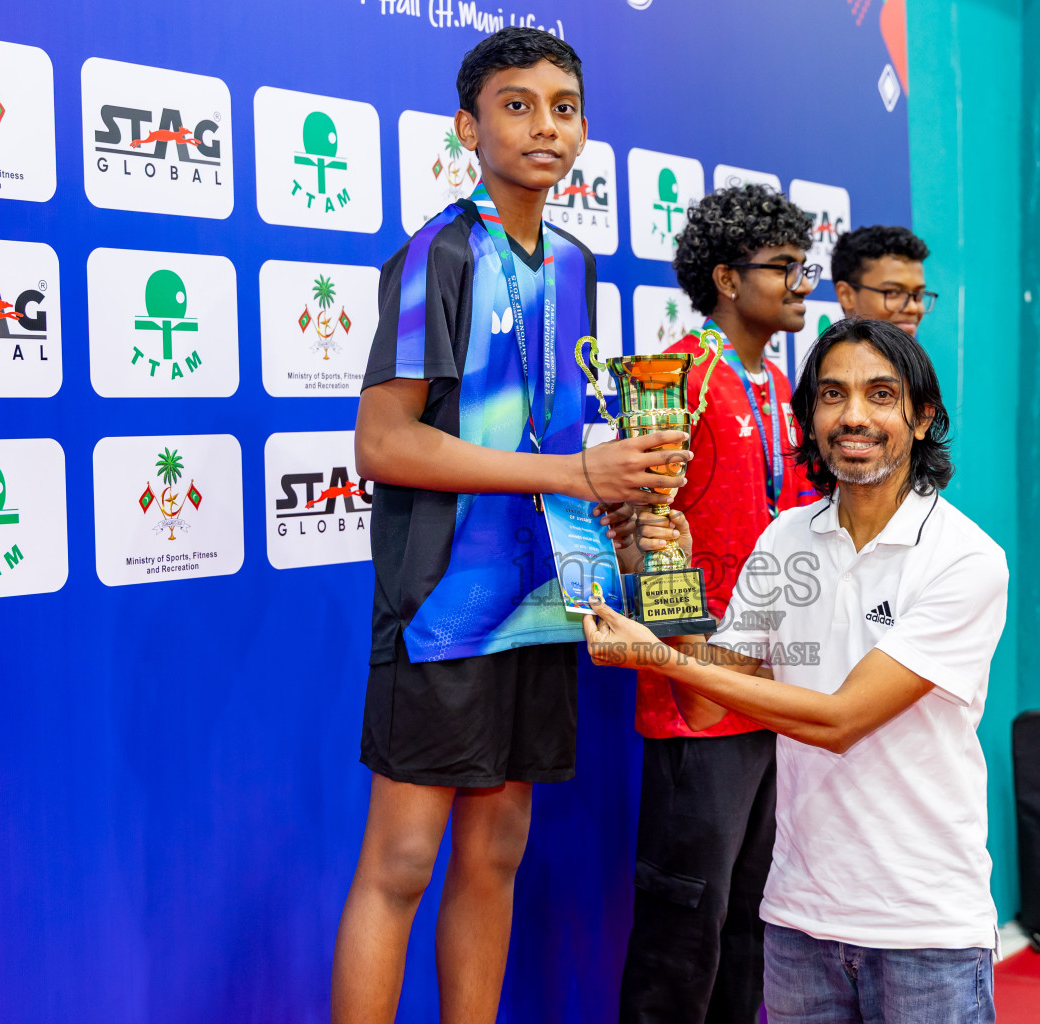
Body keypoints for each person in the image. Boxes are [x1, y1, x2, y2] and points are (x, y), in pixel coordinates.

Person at [333, 28, 689, 1024]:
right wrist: (573, 466)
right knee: (400, 863)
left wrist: (618, 499)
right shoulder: (432, 259)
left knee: (495, 854)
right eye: (517, 103)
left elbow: (557, 434)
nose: (545, 125)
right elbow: (383, 444)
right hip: (441, 607)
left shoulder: (576, 265)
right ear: (468, 125)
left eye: (563, 106)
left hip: (543, 606)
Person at [588, 318, 1009, 1023]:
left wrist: (653, 656)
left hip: (924, 931)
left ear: (922, 415)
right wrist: (663, 572)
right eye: (833, 394)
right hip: (797, 926)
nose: (854, 416)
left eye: (881, 394)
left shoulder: (965, 559)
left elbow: (841, 720)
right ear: (809, 414)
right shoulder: (786, 538)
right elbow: (704, 705)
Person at [618, 184, 820, 1024]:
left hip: (777, 688)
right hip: (698, 694)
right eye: (785, 269)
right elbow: (647, 530)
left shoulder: (782, 384)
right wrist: (689, 668)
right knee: (683, 929)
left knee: (752, 921)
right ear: (729, 279)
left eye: (804, 267)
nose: (803, 284)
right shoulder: (675, 378)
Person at [831, 225, 936, 338]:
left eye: (918, 295)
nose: (913, 308)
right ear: (846, 295)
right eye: (893, 293)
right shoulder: (830, 355)